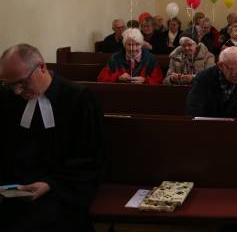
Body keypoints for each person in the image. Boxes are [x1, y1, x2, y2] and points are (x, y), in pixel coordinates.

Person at [0, 44, 104, 232]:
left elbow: (90, 158)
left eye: (22, 82)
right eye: (9, 84)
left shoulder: (79, 99)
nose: (16, 91)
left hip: (62, 188)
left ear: (41, 67)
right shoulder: (6, 98)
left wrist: (50, 184)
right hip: (13, 189)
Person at [185, 47, 237, 118]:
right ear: (220, 65)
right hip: (206, 125)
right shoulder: (203, 79)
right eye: (233, 69)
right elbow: (193, 111)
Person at [97, 28, 164, 84]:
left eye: (137, 44)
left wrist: (145, 80)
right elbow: (101, 79)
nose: (133, 49)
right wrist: (118, 77)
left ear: (141, 45)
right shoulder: (115, 58)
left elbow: (159, 80)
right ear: (124, 45)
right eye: (129, 45)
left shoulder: (150, 59)